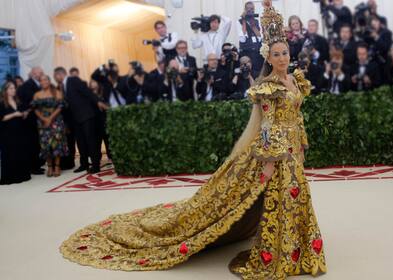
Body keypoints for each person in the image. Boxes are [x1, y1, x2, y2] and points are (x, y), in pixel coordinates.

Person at [59, 2, 327, 279]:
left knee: (297, 197)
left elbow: (296, 117)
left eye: (285, 52)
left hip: (293, 151)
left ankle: (297, 247)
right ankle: (279, 252)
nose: (282, 58)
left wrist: (302, 144)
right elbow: (269, 125)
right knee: (280, 198)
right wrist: (269, 160)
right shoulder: (267, 87)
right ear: (268, 57)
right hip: (276, 153)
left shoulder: (296, 81)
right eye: (276, 54)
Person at [54, 67, 108, 174]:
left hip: (86, 115)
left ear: (59, 74)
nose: (55, 78)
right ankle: (84, 164)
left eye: (55, 76)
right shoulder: (62, 86)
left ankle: (96, 165)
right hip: (76, 118)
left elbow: (87, 91)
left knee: (90, 141)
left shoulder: (73, 80)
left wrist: (98, 102)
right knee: (80, 142)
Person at [32, 75, 68, 177]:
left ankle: (57, 166)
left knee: (56, 144)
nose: (44, 82)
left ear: (49, 81)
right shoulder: (37, 94)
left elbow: (60, 106)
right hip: (43, 122)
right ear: (40, 82)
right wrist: (44, 119)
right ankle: (50, 167)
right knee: (46, 145)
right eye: (41, 80)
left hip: (56, 120)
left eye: (46, 80)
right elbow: (35, 109)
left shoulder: (57, 92)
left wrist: (50, 118)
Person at [0, 82, 31, 185]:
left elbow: (23, 113)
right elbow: (2, 118)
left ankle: (22, 174)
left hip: (19, 131)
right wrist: (14, 114)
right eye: (11, 88)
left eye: (14, 88)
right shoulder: (1, 103)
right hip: (7, 132)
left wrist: (24, 114)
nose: (13, 90)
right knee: (10, 153)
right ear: (6, 90)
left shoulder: (17, 101)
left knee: (20, 151)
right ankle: (11, 177)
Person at [17, 66, 44, 175]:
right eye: (39, 73)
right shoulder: (27, 85)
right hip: (30, 120)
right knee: (32, 144)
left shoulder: (38, 84)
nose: (41, 74)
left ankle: (37, 165)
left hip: (37, 119)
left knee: (37, 143)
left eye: (41, 73)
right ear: (33, 73)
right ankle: (33, 167)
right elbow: (32, 101)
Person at [237, 1, 264, 72]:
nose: (250, 11)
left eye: (252, 9)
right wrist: (243, 21)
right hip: (246, 53)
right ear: (245, 10)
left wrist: (253, 25)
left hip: (257, 53)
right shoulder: (239, 21)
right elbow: (242, 39)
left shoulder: (257, 21)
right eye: (248, 9)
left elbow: (260, 38)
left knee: (258, 72)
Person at [89, 79, 111, 161]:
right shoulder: (89, 95)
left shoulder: (103, 93)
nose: (93, 84)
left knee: (107, 139)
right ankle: (97, 158)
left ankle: (111, 156)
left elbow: (108, 105)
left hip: (104, 119)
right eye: (91, 82)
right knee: (96, 141)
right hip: (94, 121)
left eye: (94, 82)